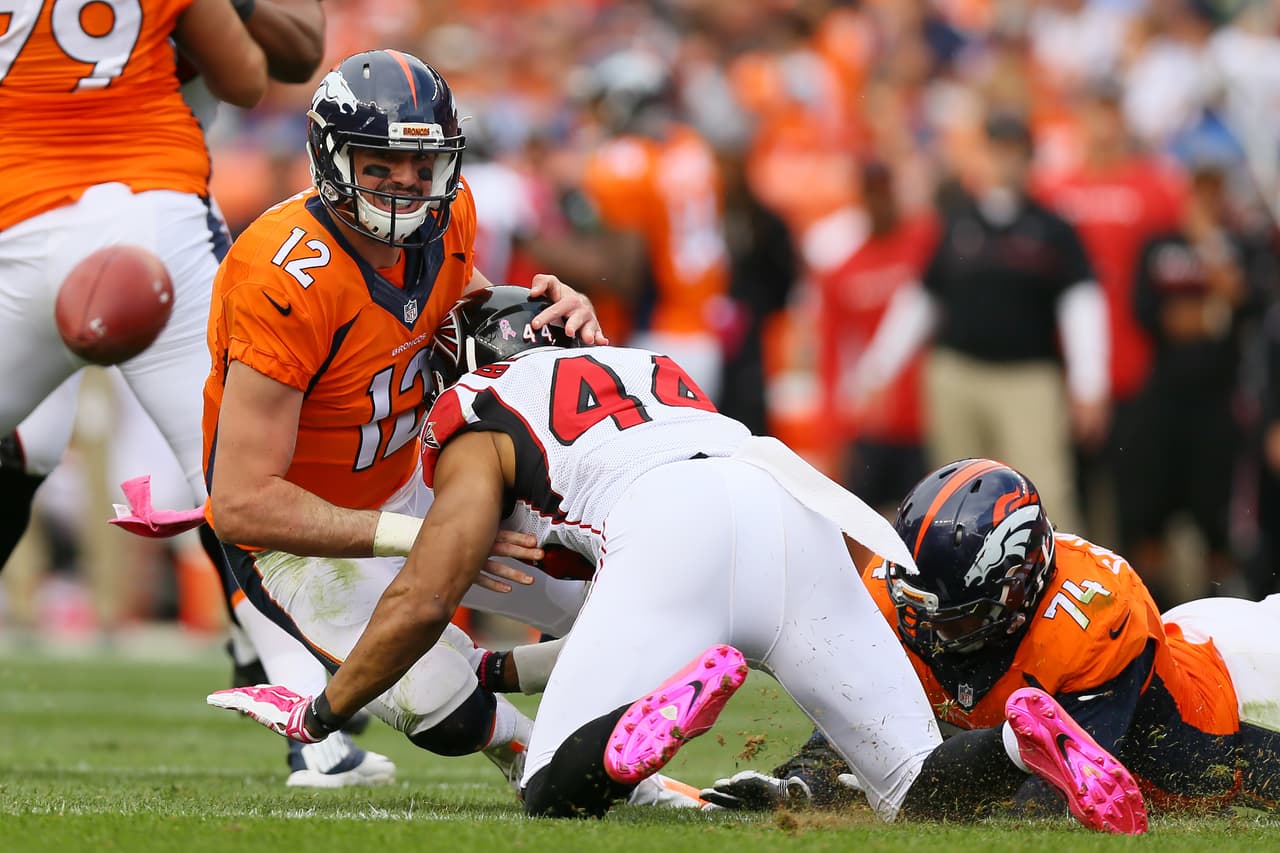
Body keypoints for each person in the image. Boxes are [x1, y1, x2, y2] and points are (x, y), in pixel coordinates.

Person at [210, 286, 1148, 835]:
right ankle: (1026, 739)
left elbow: (424, 594)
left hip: (673, 529)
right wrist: (500, 666)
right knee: (914, 789)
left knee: (556, 790)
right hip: (782, 492)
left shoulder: (478, 409)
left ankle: (626, 750)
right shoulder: (652, 367)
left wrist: (322, 708)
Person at [196, 50, 721, 808]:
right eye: (380, 165)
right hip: (300, 532)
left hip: (420, 473)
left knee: (645, 589)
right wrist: (422, 540)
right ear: (330, 156)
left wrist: (546, 315)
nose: (406, 186)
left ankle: (520, 673)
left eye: (421, 165)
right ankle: (561, 762)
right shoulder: (283, 278)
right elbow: (240, 504)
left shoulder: (455, 216)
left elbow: (459, 308)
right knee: (432, 695)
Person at [0, 0, 401, 789]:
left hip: (17, 222)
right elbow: (249, 79)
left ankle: (279, 669)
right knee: (231, 478)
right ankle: (313, 736)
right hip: (154, 214)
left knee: (30, 446)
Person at [704, 459, 1280, 816]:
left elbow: (1056, 796)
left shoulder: (1093, 617)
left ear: (1016, 591)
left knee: (1216, 773)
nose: (929, 633)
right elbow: (862, 730)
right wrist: (800, 788)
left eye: (955, 618)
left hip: (1243, 679)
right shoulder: (901, 598)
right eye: (921, 611)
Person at [851, 111, 1108, 535]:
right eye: (996, 151)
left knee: (1045, 492)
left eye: (1014, 152)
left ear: (1028, 159)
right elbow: (922, 298)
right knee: (956, 495)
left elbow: (1081, 305)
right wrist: (879, 367)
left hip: (1027, 379)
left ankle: (1056, 589)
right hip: (958, 374)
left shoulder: (1053, 228)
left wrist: (1089, 384)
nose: (1004, 162)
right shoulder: (957, 221)